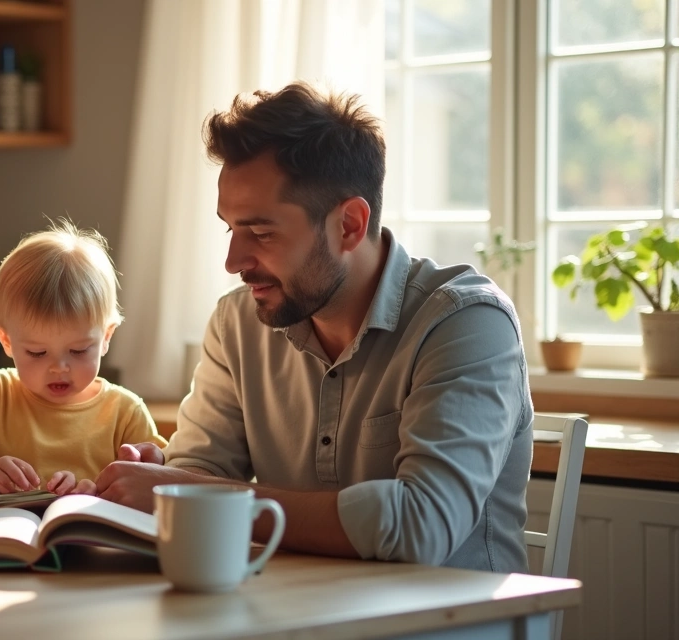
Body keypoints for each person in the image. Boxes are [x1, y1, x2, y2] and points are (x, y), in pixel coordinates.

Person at [95, 82, 533, 573]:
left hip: (454, 625)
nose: (233, 261)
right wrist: (167, 480)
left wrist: (192, 493)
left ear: (349, 224)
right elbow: (198, 475)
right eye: (230, 229)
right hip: (296, 611)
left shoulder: (467, 324)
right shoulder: (238, 323)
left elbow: (421, 526)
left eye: (260, 232)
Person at [0, 221, 167, 499]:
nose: (59, 367)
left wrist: (156, 461)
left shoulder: (125, 412)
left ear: (106, 337)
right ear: (6, 341)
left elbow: (159, 478)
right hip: (9, 534)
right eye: (37, 353)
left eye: (79, 351)